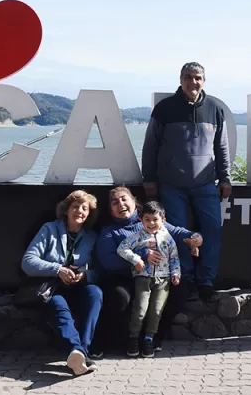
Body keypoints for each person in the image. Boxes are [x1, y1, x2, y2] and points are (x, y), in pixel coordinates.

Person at [142, 61, 231, 302]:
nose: (194, 82)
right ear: (181, 79)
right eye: (189, 77)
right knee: (179, 234)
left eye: (198, 77)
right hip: (172, 184)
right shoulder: (164, 109)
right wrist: (148, 178)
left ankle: (206, 281)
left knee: (212, 231)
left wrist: (226, 177)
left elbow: (222, 147)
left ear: (204, 80)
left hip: (206, 184)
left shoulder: (215, 108)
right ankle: (186, 279)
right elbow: (150, 145)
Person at [91, 186, 202, 356]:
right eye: (115, 202)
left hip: (157, 276)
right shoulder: (109, 231)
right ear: (110, 209)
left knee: (180, 289)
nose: (120, 204)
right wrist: (140, 257)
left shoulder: (149, 220)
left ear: (134, 202)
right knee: (120, 296)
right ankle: (121, 339)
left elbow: (177, 232)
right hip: (125, 276)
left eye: (123, 199)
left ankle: (154, 337)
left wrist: (195, 237)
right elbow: (108, 261)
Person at [20, 189, 102, 376]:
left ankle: (80, 351)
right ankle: (79, 352)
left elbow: (100, 269)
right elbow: (28, 261)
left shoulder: (92, 236)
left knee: (95, 293)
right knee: (58, 305)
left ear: (89, 214)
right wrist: (57, 269)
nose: (79, 211)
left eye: (84, 208)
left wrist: (85, 276)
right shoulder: (49, 229)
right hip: (52, 287)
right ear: (66, 210)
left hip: (79, 285)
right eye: (75, 207)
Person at [117, 201, 188, 358]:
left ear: (163, 219)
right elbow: (122, 248)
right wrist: (136, 259)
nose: (151, 223)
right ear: (141, 220)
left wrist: (176, 273)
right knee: (140, 309)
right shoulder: (138, 236)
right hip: (143, 278)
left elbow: (174, 257)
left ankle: (149, 339)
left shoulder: (168, 238)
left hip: (163, 280)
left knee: (156, 311)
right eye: (147, 219)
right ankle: (134, 338)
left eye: (155, 219)